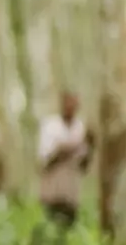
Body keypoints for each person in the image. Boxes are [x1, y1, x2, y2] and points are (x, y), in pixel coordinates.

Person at [37, 91, 93, 229]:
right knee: (50, 229)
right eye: (68, 103)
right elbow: (46, 161)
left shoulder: (80, 128)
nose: (71, 107)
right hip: (52, 193)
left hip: (71, 194)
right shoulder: (50, 126)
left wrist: (91, 147)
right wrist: (72, 146)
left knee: (68, 230)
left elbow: (83, 166)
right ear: (62, 104)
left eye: (74, 104)